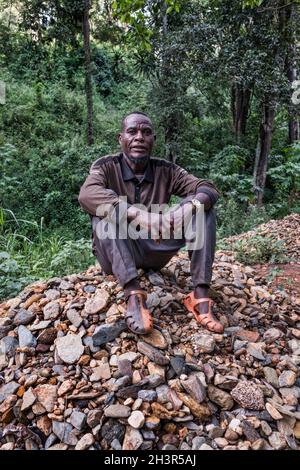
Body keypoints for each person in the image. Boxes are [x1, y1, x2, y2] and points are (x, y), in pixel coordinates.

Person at [78, 111, 224, 335]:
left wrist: (187, 208)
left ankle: (200, 296)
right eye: (132, 132)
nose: (139, 137)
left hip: (156, 247)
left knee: (202, 209)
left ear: (153, 140)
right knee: (103, 212)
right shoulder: (106, 166)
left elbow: (208, 188)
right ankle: (134, 295)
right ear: (121, 138)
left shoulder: (166, 170)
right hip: (116, 253)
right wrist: (139, 215)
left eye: (146, 133)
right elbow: (87, 195)